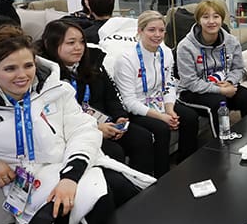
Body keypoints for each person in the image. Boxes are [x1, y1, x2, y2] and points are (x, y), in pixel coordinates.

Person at [0, 25, 153, 224]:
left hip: (67, 166)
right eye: (10, 68)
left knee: (121, 190)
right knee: (98, 208)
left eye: (28, 66)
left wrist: (70, 177)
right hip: (21, 182)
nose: (22, 75)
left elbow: (83, 131)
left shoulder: (57, 91)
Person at [38, 20, 159, 176]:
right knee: (114, 151)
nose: (78, 48)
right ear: (52, 45)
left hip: (107, 122)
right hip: (78, 132)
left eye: (82, 42)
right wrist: (96, 128)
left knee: (142, 138)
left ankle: (142, 187)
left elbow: (111, 96)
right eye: (71, 43)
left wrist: (120, 117)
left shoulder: (93, 63)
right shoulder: (48, 78)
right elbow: (59, 119)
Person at [113, 10, 199, 176]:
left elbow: (169, 84)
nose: (157, 35)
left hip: (159, 101)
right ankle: (162, 175)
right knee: (161, 128)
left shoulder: (165, 52)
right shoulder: (126, 59)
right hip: (136, 109)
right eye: (151, 30)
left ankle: (186, 163)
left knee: (189, 116)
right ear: (140, 31)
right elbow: (129, 101)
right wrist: (161, 117)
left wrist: (170, 109)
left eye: (161, 30)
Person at [177, 0, 247, 132]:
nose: (211, 21)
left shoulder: (231, 42)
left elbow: (238, 68)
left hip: (224, 85)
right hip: (191, 91)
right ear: (198, 20)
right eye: (205, 17)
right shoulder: (185, 46)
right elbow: (190, 82)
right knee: (217, 104)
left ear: (222, 19)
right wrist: (220, 90)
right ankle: (220, 148)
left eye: (216, 16)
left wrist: (230, 82)